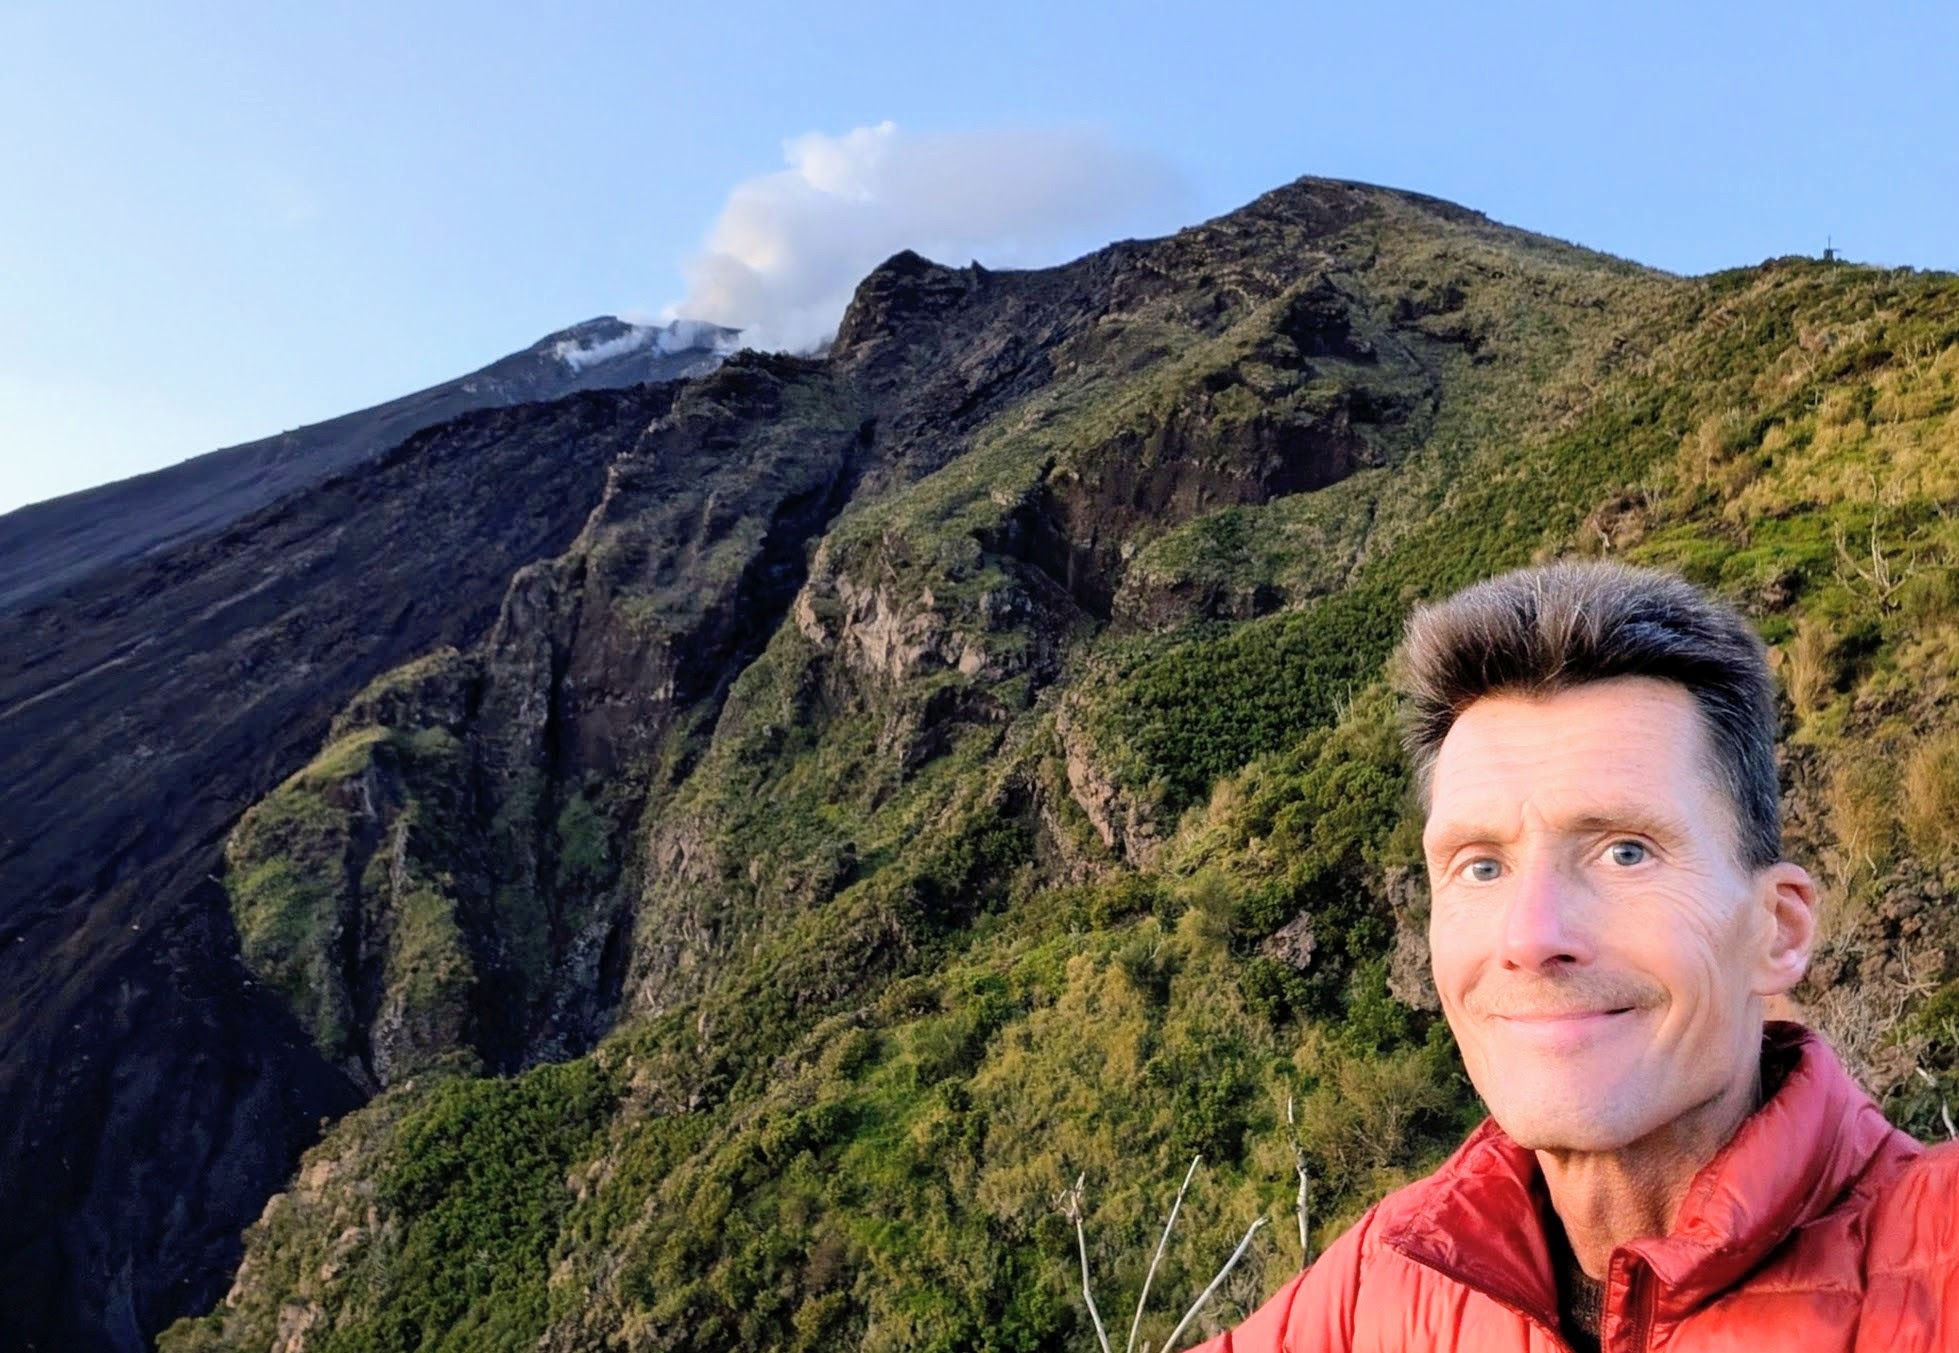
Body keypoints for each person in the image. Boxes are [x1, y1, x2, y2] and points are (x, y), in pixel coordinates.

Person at [1187, 560, 1957, 1352]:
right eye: (1480, 865)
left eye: (1625, 852)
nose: (1529, 936)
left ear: (1778, 929)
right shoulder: (1385, 1280)